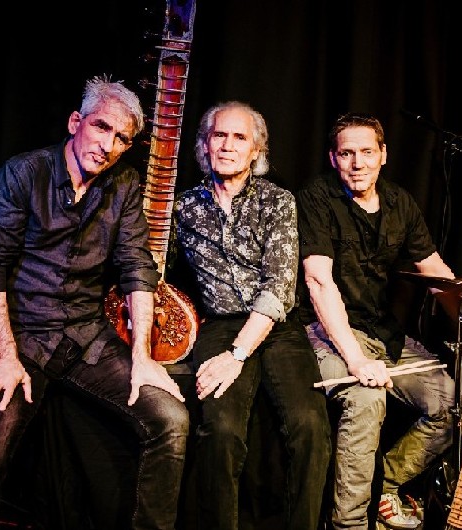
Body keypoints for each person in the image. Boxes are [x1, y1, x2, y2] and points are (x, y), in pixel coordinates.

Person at [0, 75, 189, 530]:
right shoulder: (24, 174)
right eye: (101, 127)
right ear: (76, 122)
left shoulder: (124, 184)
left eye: (121, 138)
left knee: (170, 419)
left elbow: (137, 267)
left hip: (85, 336)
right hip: (23, 337)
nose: (108, 145)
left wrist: (142, 357)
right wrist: (3, 355)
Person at [295, 112, 462, 530]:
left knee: (454, 408)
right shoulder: (317, 197)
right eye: (347, 154)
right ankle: (349, 524)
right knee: (367, 399)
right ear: (333, 158)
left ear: (383, 155)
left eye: (367, 152)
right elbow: (319, 282)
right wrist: (356, 360)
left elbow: (436, 273)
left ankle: (384, 485)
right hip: (324, 330)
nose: (357, 163)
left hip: (381, 332)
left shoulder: (399, 203)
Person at [173, 100, 332, 530]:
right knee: (221, 431)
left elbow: (279, 286)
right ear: (205, 145)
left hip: (277, 326)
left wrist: (237, 355)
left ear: (256, 150)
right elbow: (154, 269)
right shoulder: (183, 208)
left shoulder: (278, 201)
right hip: (221, 323)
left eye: (239, 137)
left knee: (310, 427)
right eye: (219, 135)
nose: (228, 145)